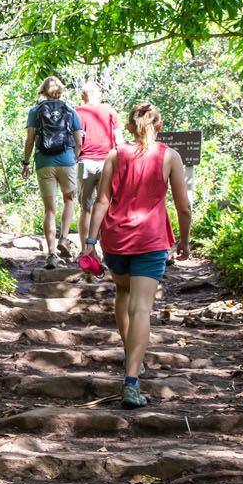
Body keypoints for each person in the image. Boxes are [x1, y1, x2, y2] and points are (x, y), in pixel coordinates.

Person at [79, 102, 191, 408]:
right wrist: (184, 241)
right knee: (142, 308)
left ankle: (133, 356)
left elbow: (101, 201)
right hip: (151, 239)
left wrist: (90, 241)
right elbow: (183, 206)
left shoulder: (115, 155)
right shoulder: (169, 156)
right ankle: (131, 381)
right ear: (159, 125)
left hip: (115, 239)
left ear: (129, 127)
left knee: (124, 293)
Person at [22, 76, 84, 269]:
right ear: (61, 90)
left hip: (44, 162)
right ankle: (64, 238)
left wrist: (25, 162)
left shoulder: (35, 111)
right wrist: (72, 157)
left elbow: (30, 140)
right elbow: (79, 141)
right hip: (66, 161)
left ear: (43, 91)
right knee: (69, 200)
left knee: (49, 209)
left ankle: (51, 254)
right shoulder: (70, 110)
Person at [74, 81, 123, 251]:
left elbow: (76, 139)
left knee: (85, 209)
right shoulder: (110, 112)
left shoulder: (77, 112)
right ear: (100, 95)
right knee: (105, 207)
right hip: (107, 163)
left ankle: (85, 252)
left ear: (83, 97)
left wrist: (75, 156)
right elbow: (119, 140)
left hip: (85, 162)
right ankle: (105, 250)